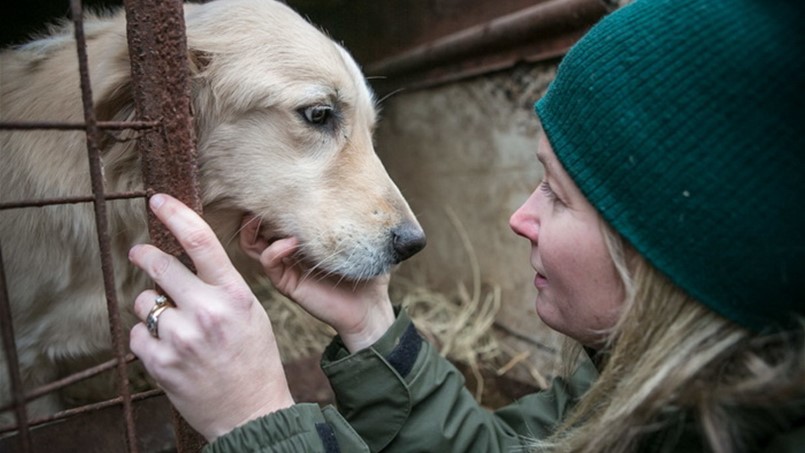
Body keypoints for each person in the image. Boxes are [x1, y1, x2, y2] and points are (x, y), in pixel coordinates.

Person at [128, 0, 805, 451]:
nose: (518, 218)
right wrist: (371, 329)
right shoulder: (658, 392)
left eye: (556, 195)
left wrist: (259, 420)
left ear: (670, 252)